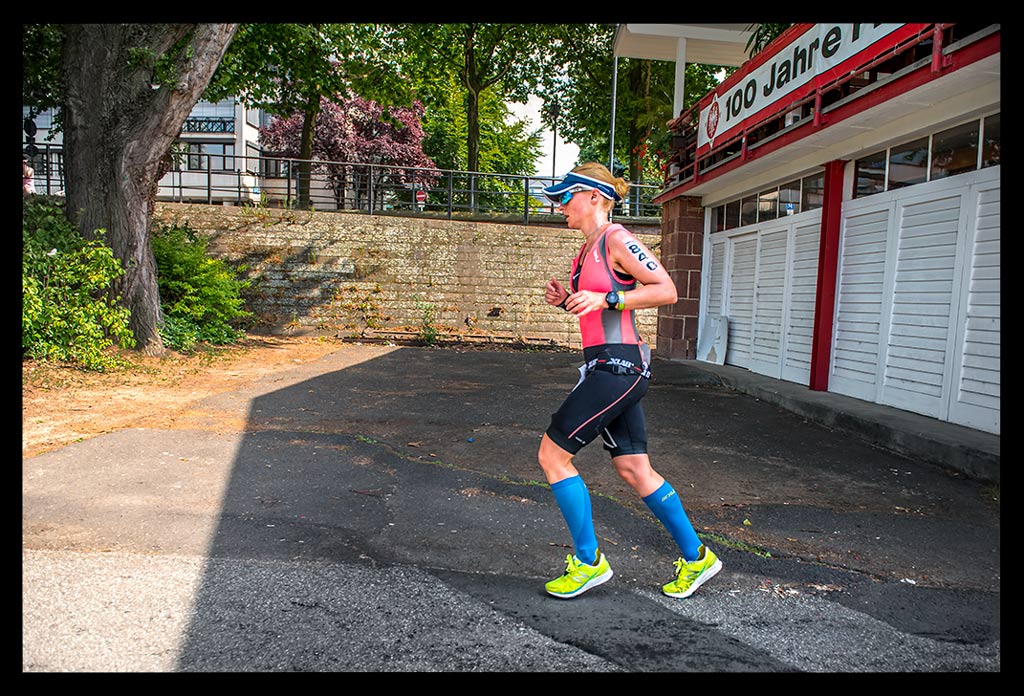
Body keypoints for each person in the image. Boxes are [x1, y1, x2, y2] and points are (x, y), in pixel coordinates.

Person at [538, 161, 721, 600]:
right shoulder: (585, 251)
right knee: (634, 468)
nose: (560, 206)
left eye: (566, 197)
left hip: (619, 367)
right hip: (607, 365)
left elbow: (666, 289)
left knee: (552, 456)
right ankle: (698, 557)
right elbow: (599, 308)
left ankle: (588, 563)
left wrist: (608, 297)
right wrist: (569, 301)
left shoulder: (617, 238)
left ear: (594, 197)